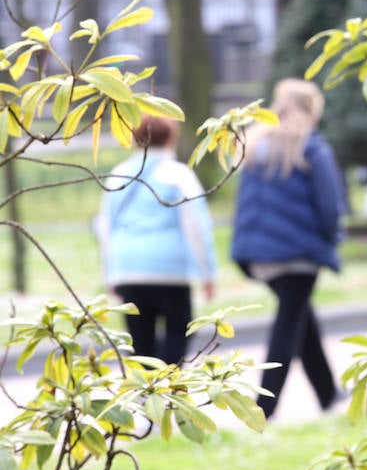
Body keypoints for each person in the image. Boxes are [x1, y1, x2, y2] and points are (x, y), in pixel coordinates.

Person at [230, 78, 347, 419]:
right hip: (298, 253)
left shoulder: (255, 144)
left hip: (257, 254)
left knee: (299, 318)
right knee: (288, 326)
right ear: (311, 110)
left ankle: (328, 394)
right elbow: (330, 205)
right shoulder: (311, 148)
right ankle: (264, 408)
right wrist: (333, 237)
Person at [97, 115, 217, 365]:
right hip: (171, 270)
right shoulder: (179, 175)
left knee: (140, 343)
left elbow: (106, 227)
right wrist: (207, 273)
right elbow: (195, 226)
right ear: (172, 138)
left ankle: (147, 397)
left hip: (128, 268)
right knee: (177, 332)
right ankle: (167, 393)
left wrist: (111, 273)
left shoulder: (119, 174)